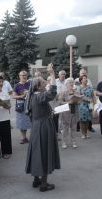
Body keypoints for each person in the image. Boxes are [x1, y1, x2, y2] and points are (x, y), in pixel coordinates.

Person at [25, 63, 60, 192]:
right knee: (45, 151)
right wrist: (52, 74)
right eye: (44, 83)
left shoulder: (33, 96)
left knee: (36, 152)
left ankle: (36, 179)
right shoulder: (39, 96)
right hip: (43, 126)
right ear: (38, 86)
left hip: (36, 126)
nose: (46, 84)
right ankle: (44, 184)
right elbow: (52, 93)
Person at [58, 78, 79, 149]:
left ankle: (74, 142)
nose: (71, 83)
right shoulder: (63, 92)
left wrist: (77, 101)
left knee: (73, 128)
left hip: (74, 111)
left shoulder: (76, 92)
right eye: (69, 82)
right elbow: (60, 102)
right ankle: (64, 142)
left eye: (72, 82)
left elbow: (79, 101)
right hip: (66, 113)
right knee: (65, 128)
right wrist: (67, 102)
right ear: (66, 84)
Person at [13, 71, 31, 144]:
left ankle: (27, 137)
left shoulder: (30, 84)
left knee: (28, 120)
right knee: (21, 121)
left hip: (29, 104)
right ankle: (23, 137)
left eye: (25, 75)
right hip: (20, 105)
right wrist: (21, 96)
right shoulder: (17, 85)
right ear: (19, 76)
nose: (24, 76)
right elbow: (14, 96)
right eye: (22, 75)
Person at [75, 68, 95, 132]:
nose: (83, 74)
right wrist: (87, 99)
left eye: (84, 73)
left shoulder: (89, 80)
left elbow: (92, 91)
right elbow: (77, 92)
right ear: (79, 74)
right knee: (81, 118)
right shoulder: (76, 80)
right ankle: (81, 130)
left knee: (88, 118)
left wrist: (93, 101)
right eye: (82, 73)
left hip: (89, 103)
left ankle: (88, 128)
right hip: (81, 103)